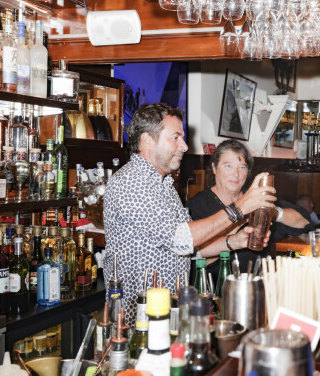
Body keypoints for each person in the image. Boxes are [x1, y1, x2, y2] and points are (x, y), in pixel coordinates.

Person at [103, 103, 276, 326]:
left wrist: (234, 242)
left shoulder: (163, 184)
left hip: (168, 312)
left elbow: (189, 248)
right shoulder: (132, 182)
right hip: (140, 318)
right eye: (175, 137)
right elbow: (182, 238)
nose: (184, 146)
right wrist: (241, 206)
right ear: (147, 140)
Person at [186, 139, 310, 281]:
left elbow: (305, 220)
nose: (236, 174)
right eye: (228, 166)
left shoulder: (255, 198)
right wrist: (241, 218)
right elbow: (193, 252)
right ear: (214, 168)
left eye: (242, 167)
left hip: (259, 284)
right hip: (217, 288)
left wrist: (270, 212)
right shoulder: (196, 205)